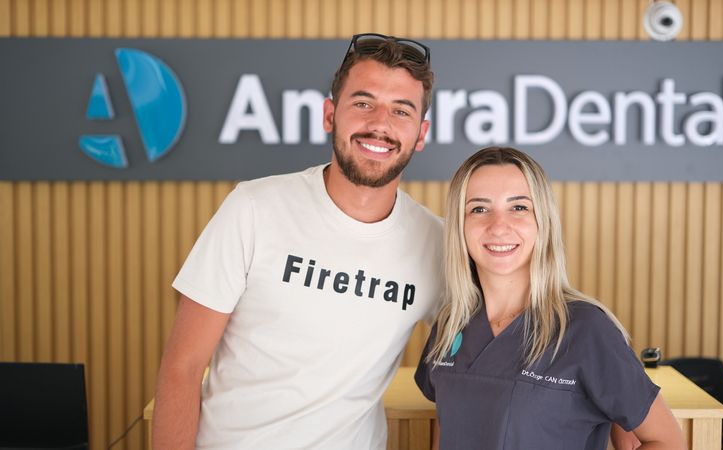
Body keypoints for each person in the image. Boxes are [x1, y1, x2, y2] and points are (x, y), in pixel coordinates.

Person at [152, 33, 443, 450]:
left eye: (401, 110)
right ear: (330, 115)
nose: (380, 123)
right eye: (363, 103)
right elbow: (182, 367)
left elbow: (486, 359)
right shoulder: (252, 208)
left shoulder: (436, 243)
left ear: (421, 133)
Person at [415, 147, 686, 450]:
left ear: (543, 221)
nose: (498, 225)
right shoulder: (451, 326)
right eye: (479, 209)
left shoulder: (586, 329)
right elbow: (446, 427)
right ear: (459, 227)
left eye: (518, 207)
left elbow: (667, 441)